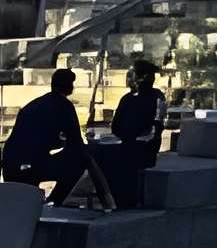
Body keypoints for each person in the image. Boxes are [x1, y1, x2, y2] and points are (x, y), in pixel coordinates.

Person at [1, 67, 96, 201]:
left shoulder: (34, 105)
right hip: (31, 165)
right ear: (69, 86)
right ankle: (55, 202)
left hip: (11, 164)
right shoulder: (64, 106)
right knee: (80, 161)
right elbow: (76, 142)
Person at [103, 59, 165, 207]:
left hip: (140, 148)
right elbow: (117, 127)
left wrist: (131, 137)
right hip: (137, 146)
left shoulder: (144, 98)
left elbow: (156, 126)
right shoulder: (149, 97)